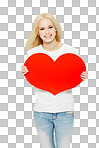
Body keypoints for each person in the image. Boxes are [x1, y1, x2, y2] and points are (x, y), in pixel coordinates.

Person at [21, 13, 88, 148]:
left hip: (65, 112)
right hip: (41, 112)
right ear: (38, 32)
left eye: (50, 27)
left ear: (56, 29)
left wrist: (81, 75)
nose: (47, 32)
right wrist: (27, 73)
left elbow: (73, 75)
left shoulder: (71, 52)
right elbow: (34, 78)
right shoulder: (32, 55)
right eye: (42, 28)